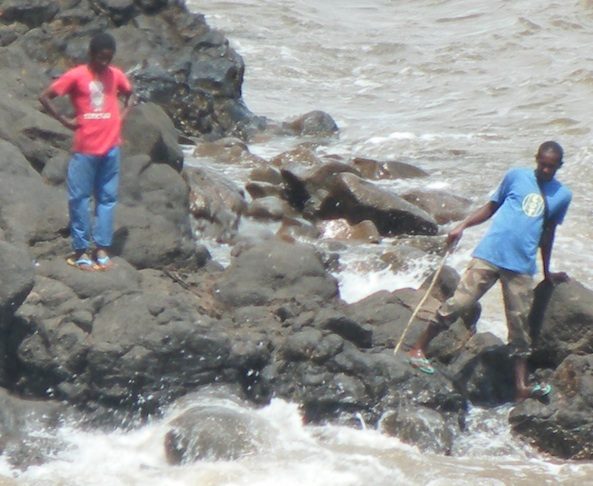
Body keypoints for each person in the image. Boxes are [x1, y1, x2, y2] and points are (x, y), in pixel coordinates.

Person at [408, 141, 572, 401]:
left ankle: (521, 387)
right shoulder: (516, 176)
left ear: (559, 166)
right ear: (536, 159)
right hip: (490, 255)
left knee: (519, 327)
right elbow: (491, 206)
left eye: (551, 167)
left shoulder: (562, 195)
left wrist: (547, 271)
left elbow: (548, 233)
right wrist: (462, 226)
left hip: (521, 266)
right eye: (542, 164)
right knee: (459, 303)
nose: (545, 170)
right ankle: (419, 348)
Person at [39, 32, 133, 271]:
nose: (104, 63)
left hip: (111, 147)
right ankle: (81, 250)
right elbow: (45, 97)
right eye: (101, 58)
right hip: (85, 150)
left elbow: (130, 93)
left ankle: (101, 248)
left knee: (107, 199)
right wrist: (64, 121)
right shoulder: (76, 75)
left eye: (108, 58)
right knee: (79, 199)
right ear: (91, 54)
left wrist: (122, 115)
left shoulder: (115, 75)